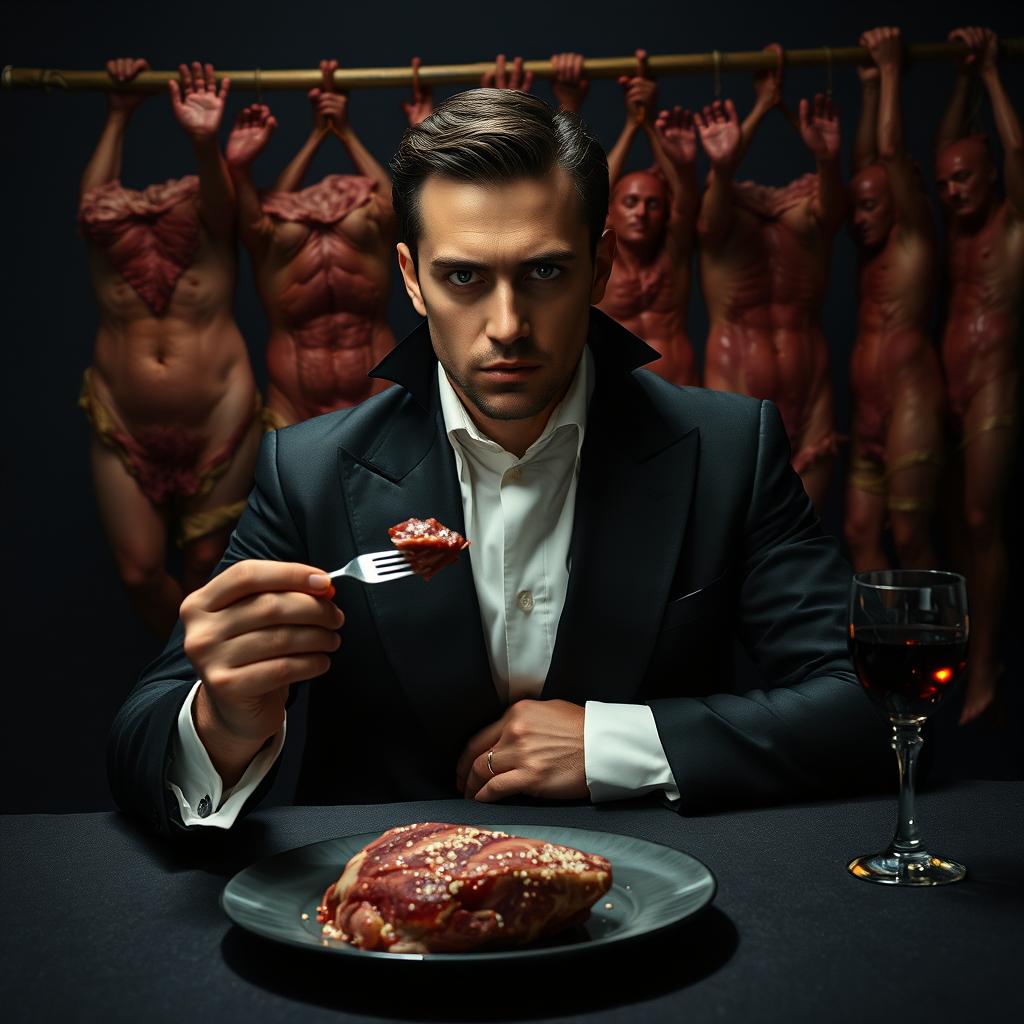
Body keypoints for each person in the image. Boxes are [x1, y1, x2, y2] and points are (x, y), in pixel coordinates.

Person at [109, 88, 887, 836]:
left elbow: (875, 707)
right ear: (412, 279)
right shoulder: (306, 472)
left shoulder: (728, 452)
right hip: (384, 934)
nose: (506, 326)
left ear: (601, 266)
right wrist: (222, 722)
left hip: (657, 911)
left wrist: (615, 747)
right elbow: (141, 750)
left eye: (544, 272)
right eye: (464, 278)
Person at [79, 59, 262, 638]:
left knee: (209, 564)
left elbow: (220, 201)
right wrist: (118, 112)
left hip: (218, 416)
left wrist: (204, 142)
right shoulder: (104, 236)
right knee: (139, 572)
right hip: (124, 419)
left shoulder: (212, 232)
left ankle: (204, 688)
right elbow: (94, 203)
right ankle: (181, 675)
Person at [696, 64, 844, 513]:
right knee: (738, 542)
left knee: (808, 541)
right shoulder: (720, 226)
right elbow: (708, 219)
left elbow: (834, 212)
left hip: (810, 386)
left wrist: (827, 160)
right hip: (737, 379)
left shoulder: (815, 215)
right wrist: (723, 165)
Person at [226, 60, 397, 429]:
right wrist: (317, 136)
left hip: (380, 402)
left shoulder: (371, 231)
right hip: (293, 407)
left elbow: (391, 205)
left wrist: (345, 132)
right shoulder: (271, 243)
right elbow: (257, 214)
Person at [934, 27, 1023, 724]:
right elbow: (946, 149)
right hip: (949, 382)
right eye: (946, 183)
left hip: (995, 380)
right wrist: (961, 78)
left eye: (965, 177)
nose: (954, 190)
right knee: (952, 528)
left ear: (991, 172)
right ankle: (961, 661)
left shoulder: (1012, 224)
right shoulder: (958, 235)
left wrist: (990, 75)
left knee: (979, 520)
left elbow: (1016, 148)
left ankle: (987, 663)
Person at [844, 27, 945, 572]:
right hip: (867, 409)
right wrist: (866, 89)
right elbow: (869, 164)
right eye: (855, 208)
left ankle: (945, 658)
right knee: (860, 536)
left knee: (908, 536)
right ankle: (875, 660)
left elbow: (888, 154)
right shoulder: (872, 249)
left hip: (910, 402)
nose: (858, 220)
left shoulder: (914, 237)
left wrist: (889, 74)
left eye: (868, 208)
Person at [595, 50, 699, 386]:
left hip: (681, 392)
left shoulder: (674, 251)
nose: (641, 212)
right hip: (616, 395)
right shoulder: (599, 256)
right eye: (631, 202)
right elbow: (589, 188)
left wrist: (650, 123)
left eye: (653, 204)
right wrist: (631, 126)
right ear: (610, 209)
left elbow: (684, 198)